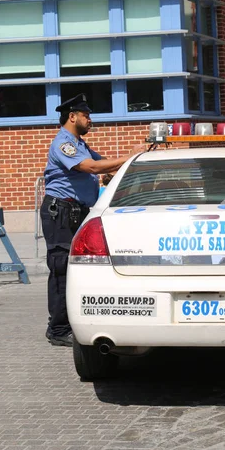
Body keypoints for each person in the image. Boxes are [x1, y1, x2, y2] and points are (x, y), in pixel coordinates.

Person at [40, 93, 146, 347]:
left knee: (77, 268)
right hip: (61, 213)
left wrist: (136, 158)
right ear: (72, 116)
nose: (90, 120)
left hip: (75, 211)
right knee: (61, 269)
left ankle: (72, 322)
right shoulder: (63, 144)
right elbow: (92, 168)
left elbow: (106, 166)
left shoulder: (79, 144)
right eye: (86, 115)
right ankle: (58, 329)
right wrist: (130, 158)